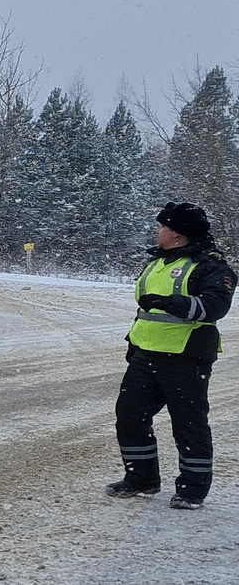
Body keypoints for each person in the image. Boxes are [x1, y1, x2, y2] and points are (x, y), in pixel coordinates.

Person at [107, 201, 235, 509]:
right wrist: (135, 343)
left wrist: (171, 302)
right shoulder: (157, 262)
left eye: (163, 226)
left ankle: (192, 490)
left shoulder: (211, 266)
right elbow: (146, 311)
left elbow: (215, 306)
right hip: (146, 354)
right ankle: (141, 479)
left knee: (188, 424)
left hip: (185, 356)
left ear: (178, 234)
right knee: (129, 417)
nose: (158, 230)